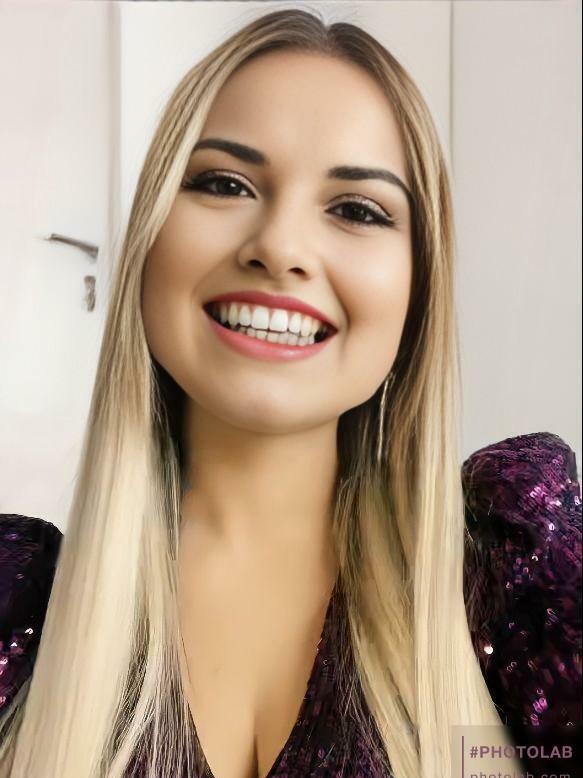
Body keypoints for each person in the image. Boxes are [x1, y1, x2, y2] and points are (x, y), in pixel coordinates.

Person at [0, 8, 580, 778]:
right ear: (147, 239)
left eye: (356, 210)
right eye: (223, 183)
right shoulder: (15, 602)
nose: (278, 246)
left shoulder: (511, 568)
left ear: (418, 291)